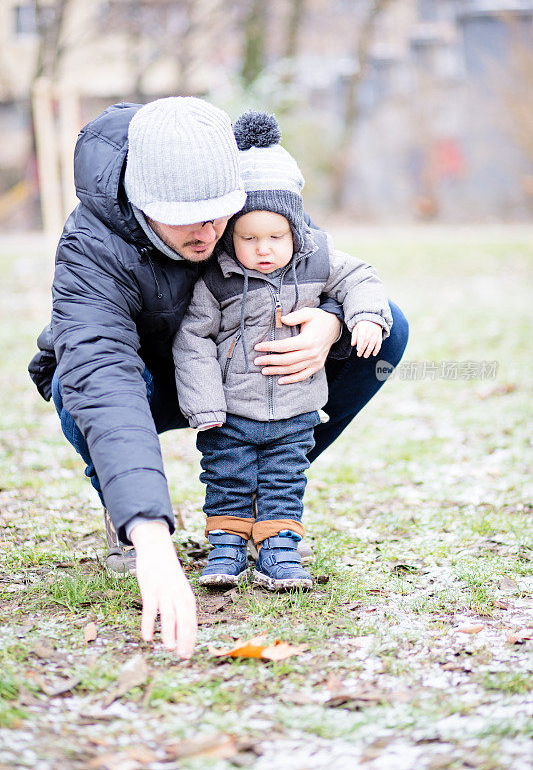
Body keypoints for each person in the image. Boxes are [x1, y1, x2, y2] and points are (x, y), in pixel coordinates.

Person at [28, 96, 408, 657]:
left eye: (219, 212)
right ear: (143, 201)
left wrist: (330, 323)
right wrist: (150, 534)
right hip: (149, 379)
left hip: (246, 373)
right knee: (72, 383)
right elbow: (102, 379)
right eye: (186, 217)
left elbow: (313, 260)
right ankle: (127, 506)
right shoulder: (92, 245)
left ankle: (263, 489)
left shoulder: (245, 185)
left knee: (387, 331)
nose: (209, 232)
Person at [173, 111, 393, 591]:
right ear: (230, 232)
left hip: (295, 405)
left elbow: (361, 278)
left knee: (284, 481)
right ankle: (226, 549)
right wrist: (206, 402)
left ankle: (279, 550)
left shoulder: (318, 257)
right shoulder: (217, 278)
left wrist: (365, 316)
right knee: (226, 478)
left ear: (296, 228)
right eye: (249, 238)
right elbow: (193, 340)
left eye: (276, 237)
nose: (264, 249)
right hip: (230, 409)